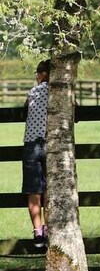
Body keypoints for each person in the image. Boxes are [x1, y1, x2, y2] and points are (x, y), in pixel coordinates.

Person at [23, 59, 50, 249]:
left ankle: (37, 231)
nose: (36, 76)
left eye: (37, 73)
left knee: (33, 189)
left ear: (43, 74)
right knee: (50, 190)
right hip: (51, 144)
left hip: (32, 144)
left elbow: (25, 109)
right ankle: (49, 227)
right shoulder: (59, 93)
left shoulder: (33, 92)